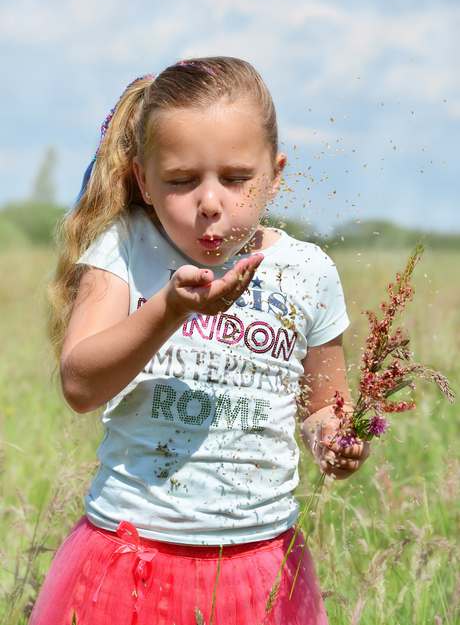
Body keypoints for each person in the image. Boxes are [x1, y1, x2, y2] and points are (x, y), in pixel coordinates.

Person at [30, 57, 369, 625]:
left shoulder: (306, 270)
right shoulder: (126, 249)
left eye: (236, 179)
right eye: (183, 181)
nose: (210, 202)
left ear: (275, 172)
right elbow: (80, 383)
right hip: (131, 557)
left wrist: (334, 442)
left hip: (257, 568)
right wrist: (168, 310)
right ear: (143, 179)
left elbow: (324, 408)